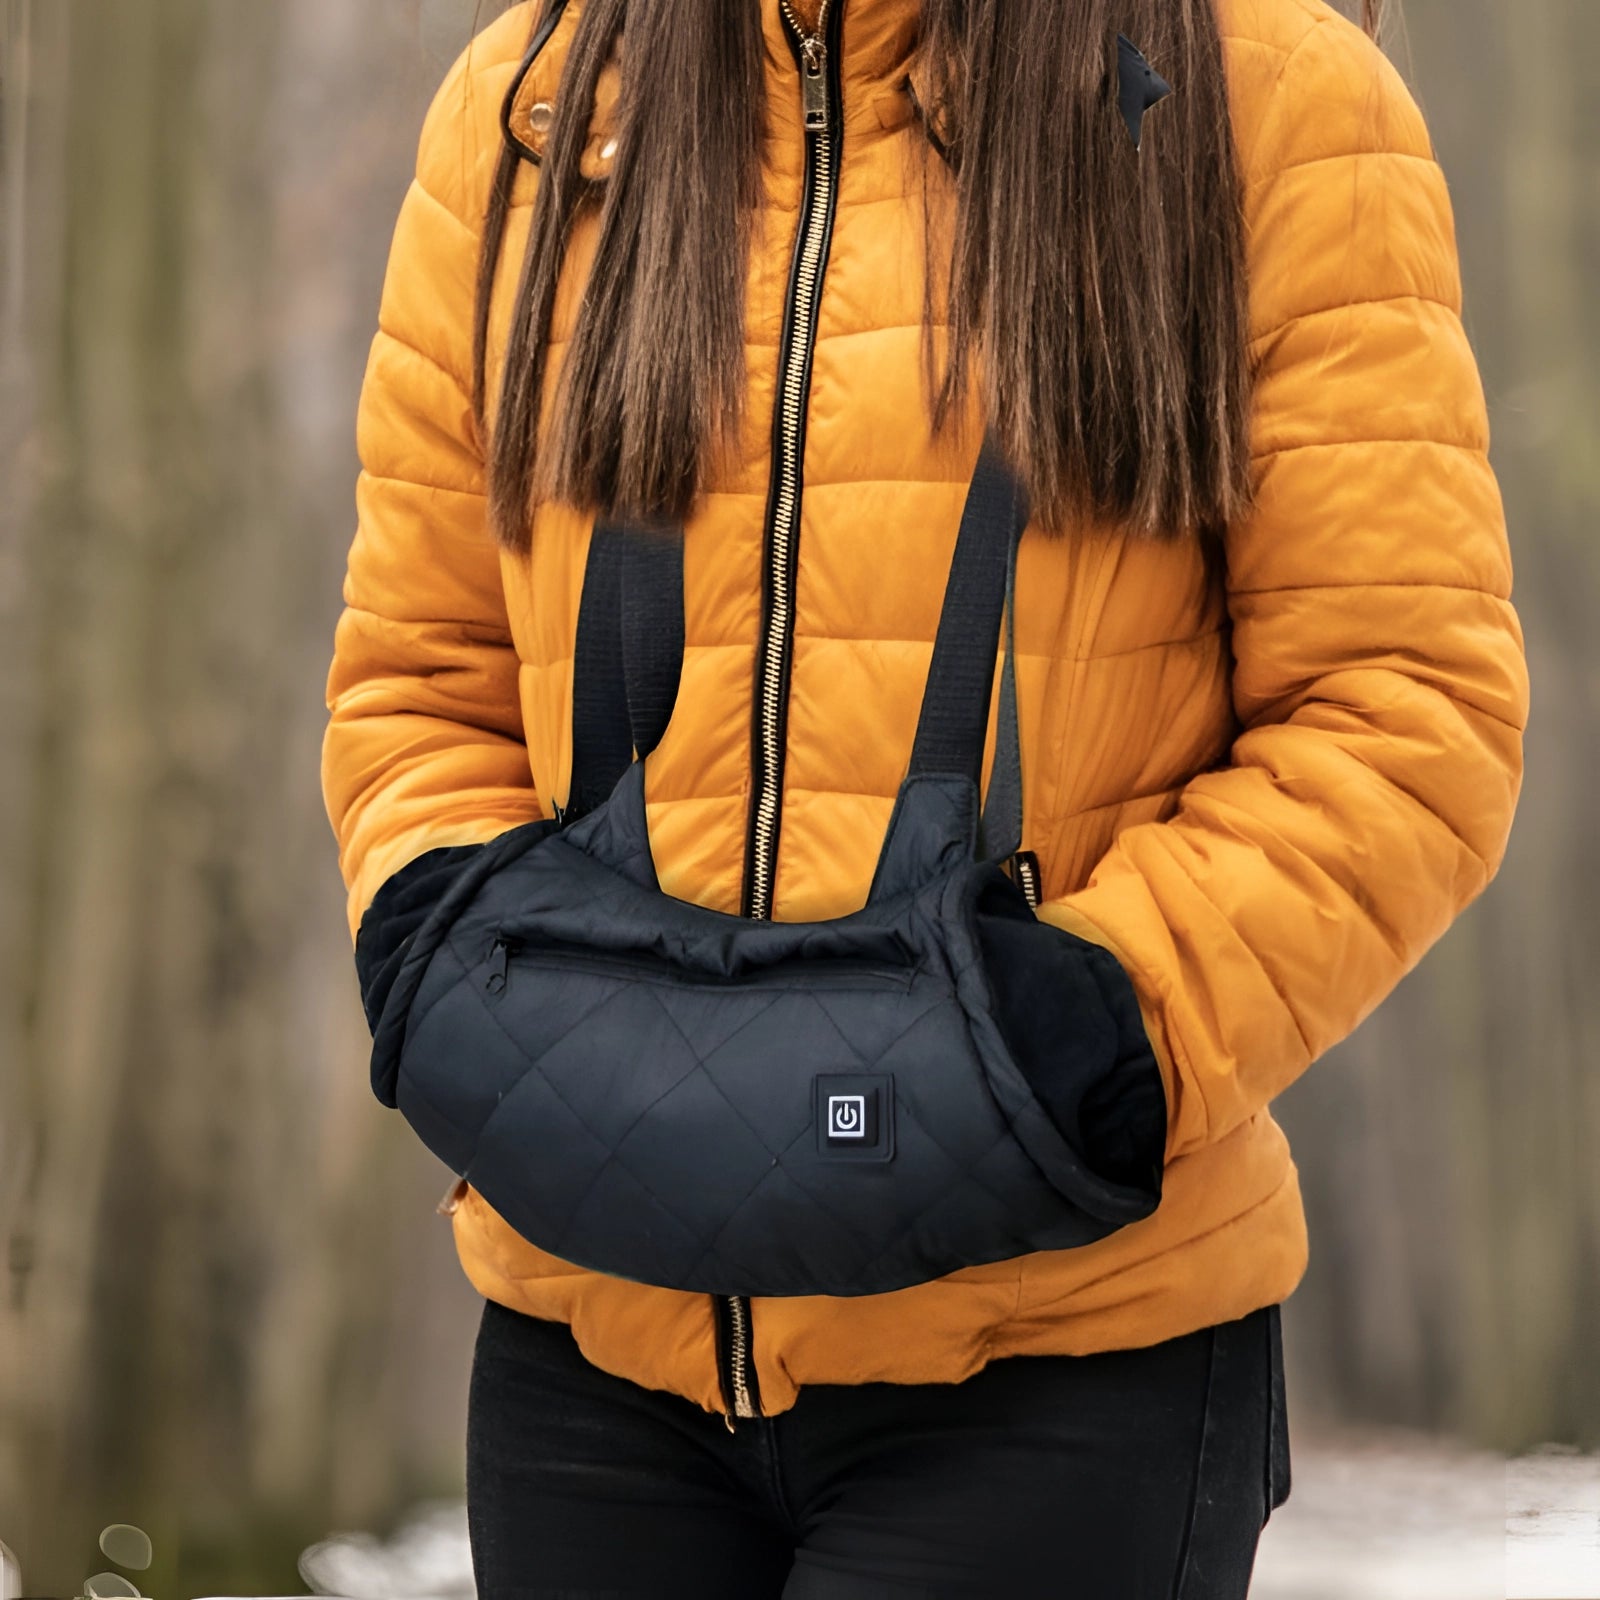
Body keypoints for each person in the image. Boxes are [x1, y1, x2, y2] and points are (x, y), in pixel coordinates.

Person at [320, 0, 1529, 1592]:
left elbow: (1403, 713)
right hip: (591, 1370)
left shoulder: (1264, 101)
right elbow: (422, 680)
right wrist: (454, 972)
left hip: (1057, 1357)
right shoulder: (541, 109)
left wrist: (1089, 1034)